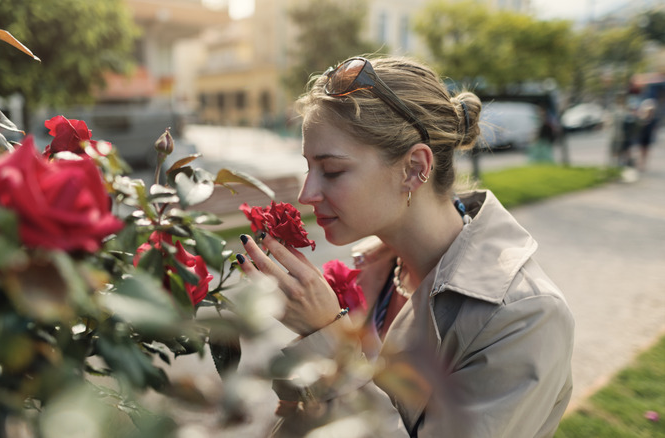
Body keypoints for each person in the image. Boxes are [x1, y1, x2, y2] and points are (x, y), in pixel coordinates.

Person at [237, 56, 574, 437]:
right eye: (308, 167)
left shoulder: (524, 316)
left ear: (414, 168)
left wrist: (327, 342)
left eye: (331, 171)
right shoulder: (370, 272)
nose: (306, 193)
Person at [636, 98, 658, 171]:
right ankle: (640, 164)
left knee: (646, 152)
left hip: (648, 137)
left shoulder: (653, 119)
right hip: (642, 137)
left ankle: (643, 164)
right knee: (641, 151)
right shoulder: (643, 118)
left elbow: (654, 129)